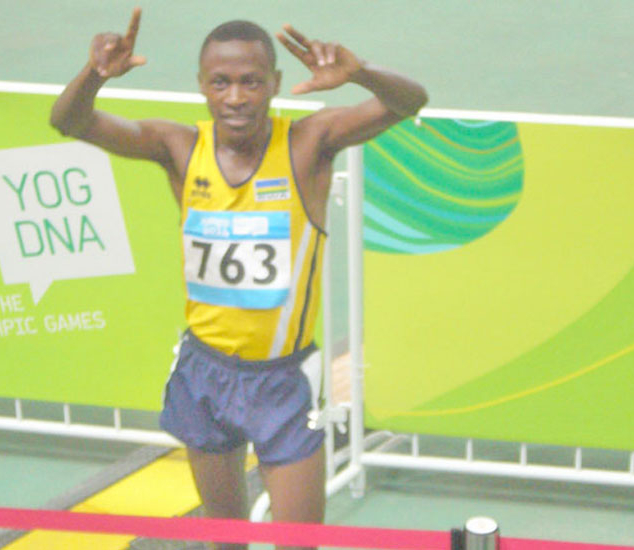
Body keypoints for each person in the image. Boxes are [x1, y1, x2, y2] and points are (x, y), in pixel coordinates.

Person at [51, 8, 426, 549]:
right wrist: (95, 74)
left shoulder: (308, 144)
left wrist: (361, 71)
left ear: (274, 84)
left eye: (251, 81)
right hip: (205, 372)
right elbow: (69, 121)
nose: (235, 97)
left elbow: (409, 102)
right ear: (201, 86)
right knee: (224, 543)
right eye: (220, 82)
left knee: (298, 544)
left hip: (285, 382)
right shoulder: (179, 147)